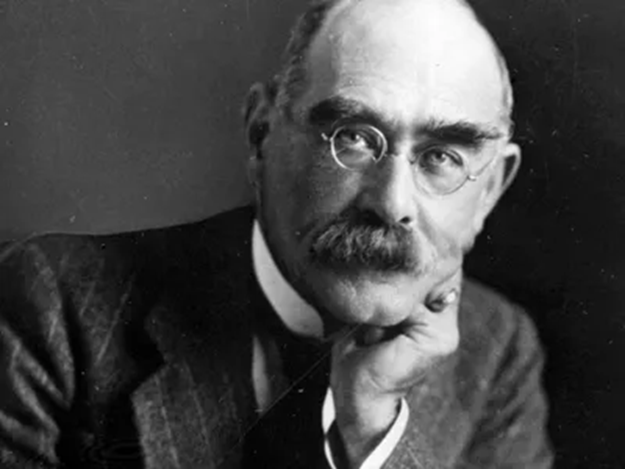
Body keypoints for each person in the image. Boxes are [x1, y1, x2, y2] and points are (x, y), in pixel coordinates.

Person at [0, 0, 553, 467]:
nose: (392, 204)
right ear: (261, 132)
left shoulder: (496, 349)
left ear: (490, 189)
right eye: (353, 137)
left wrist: (372, 429)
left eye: (442, 157)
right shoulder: (55, 305)